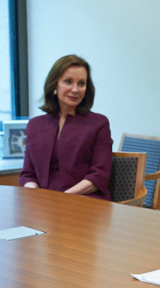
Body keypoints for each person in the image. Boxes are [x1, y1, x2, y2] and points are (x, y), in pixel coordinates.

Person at [19, 54, 113, 200]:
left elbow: (98, 176)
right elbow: (27, 175)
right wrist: (37, 196)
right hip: (43, 204)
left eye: (81, 83)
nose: (75, 89)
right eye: (68, 82)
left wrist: (62, 199)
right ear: (54, 84)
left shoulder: (99, 123)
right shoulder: (35, 125)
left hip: (86, 202)